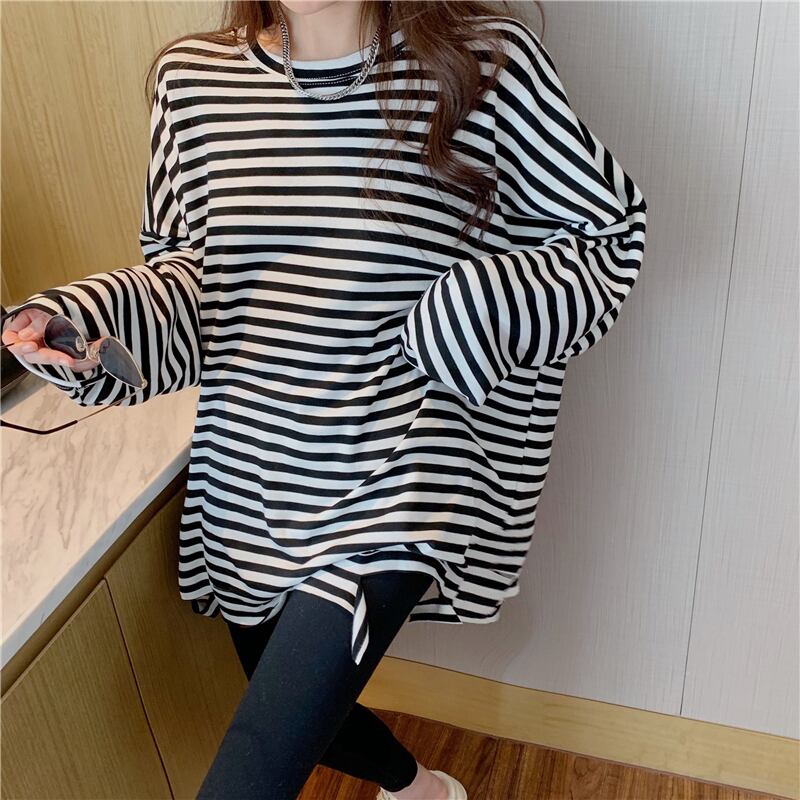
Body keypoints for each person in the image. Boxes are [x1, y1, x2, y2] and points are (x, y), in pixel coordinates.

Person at [2, 1, 648, 798]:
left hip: (405, 458)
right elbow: (191, 280)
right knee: (279, 690)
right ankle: (422, 791)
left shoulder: (484, 64)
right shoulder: (193, 81)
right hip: (256, 457)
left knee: (254, 768)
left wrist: (466, 311)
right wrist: (84, 321)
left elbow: (606, 236)